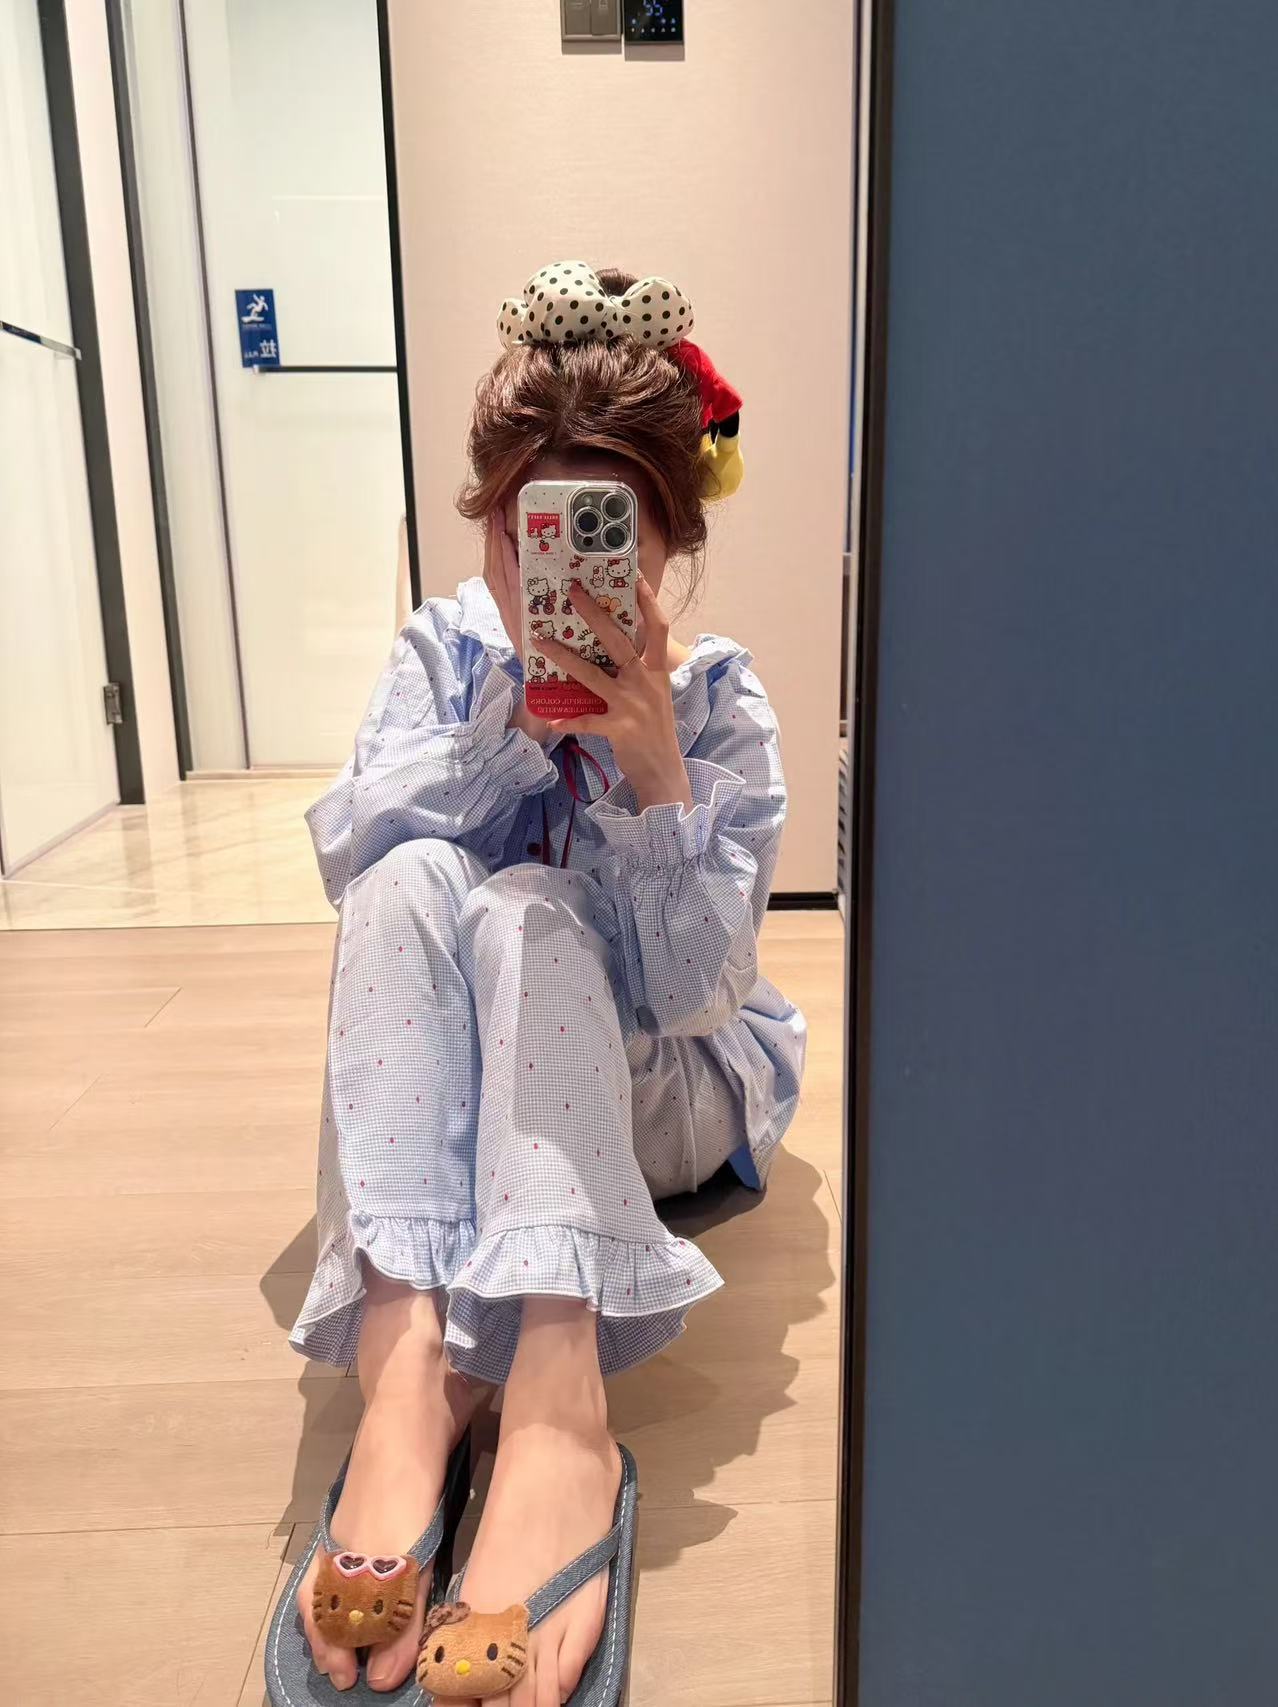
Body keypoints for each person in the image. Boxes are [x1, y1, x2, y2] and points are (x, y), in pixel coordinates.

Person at [287, 264, 806, 1702]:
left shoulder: (717, 701)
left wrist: (654, 773)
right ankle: (408, 1368)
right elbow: (350, 867)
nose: (554, 573)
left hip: (647, 1084)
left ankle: (560, 1405)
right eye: (533, 531)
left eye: (603, 533)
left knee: (531, 906)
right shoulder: (442, 655)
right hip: (478, 1067)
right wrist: (504, 736)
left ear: (666, 540)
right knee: (410, 874)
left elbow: (699, 994)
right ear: (492, 526)